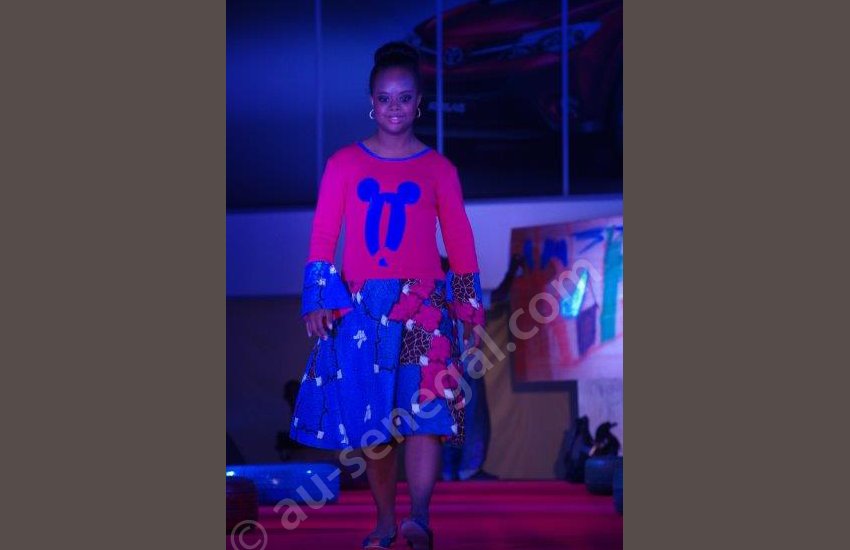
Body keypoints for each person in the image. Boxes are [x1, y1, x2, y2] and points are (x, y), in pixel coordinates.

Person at [288, 42, 485, 550]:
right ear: (371, 103)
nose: (394, 107)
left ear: (419, 104)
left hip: (425, 307)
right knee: (373, 422)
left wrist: (467, 308)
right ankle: (383, 520)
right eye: (384, 98)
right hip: (362, 309)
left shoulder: (439, 169)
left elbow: (460, 240)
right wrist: (318, 297)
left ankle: (419, 517)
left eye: (404, 98)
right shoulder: (343, 163)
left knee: (425, 416)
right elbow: (323, 233)